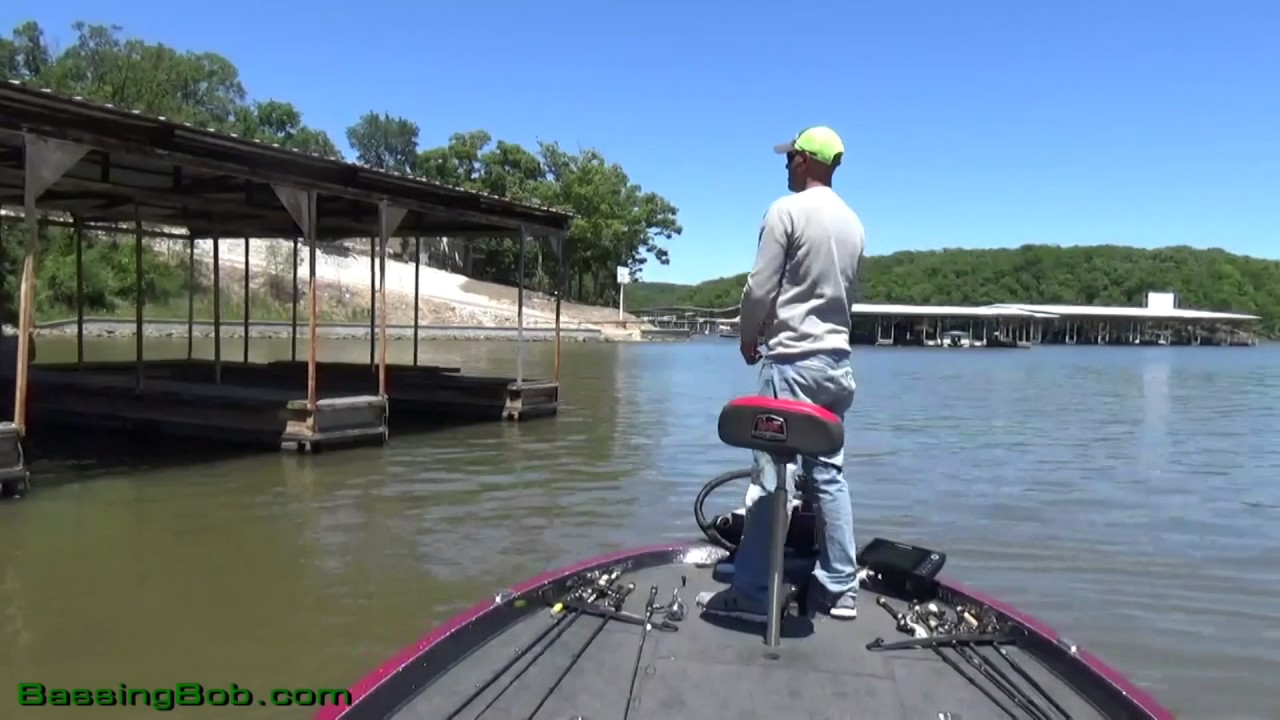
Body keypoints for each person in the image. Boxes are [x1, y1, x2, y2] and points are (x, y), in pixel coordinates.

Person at [697, 126, 865, 622]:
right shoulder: (854, 223)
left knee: (771, 476)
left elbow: (759, 287)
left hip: (791, 363)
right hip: (836, 366)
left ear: (805, 161)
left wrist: (749, 335)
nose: (785, 164)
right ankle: (839, 586)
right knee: (829, 475)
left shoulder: (784, 212)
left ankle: (753, 591)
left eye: (789, 156)